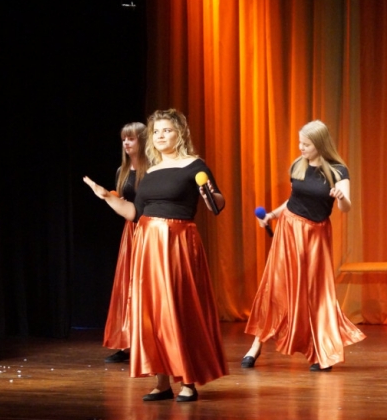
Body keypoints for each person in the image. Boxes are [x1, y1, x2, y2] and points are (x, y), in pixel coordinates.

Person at [84, 108, 228, 402]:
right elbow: (134, 213)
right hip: (147, 242)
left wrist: (208, 193)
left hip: (178, 242)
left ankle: (187, 381)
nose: (161, 136)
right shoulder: (149, 171)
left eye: (167, 130)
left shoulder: (194, 166)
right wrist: (107, 197)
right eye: (157, 131)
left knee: (178, 308)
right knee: (151, 312)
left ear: (180, 134)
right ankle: (162, 382)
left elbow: (218, 203)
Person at [241, 120, 365, 371]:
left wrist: (341, 197)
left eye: (306, 144)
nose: (301, 148)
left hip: (316, 236)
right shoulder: (299, 165)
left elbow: (346, 207)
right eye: (300, 143)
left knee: (315, 293)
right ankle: (256, 346)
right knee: (276, 288)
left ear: (319, 144)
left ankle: (322, 351)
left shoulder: (338, 171)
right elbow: (293, 200)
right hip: (289, 230)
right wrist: (272, 216)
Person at [103, 122, 148, 364]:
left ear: (142, 140)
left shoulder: (152, 169)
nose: (127, 143)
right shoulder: (121, 171)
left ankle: (147, 341)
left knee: (145, 285)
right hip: (130, 232)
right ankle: (126, 343)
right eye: (124, 139)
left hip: (148, 230)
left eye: (131, 138)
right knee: (126, 285)